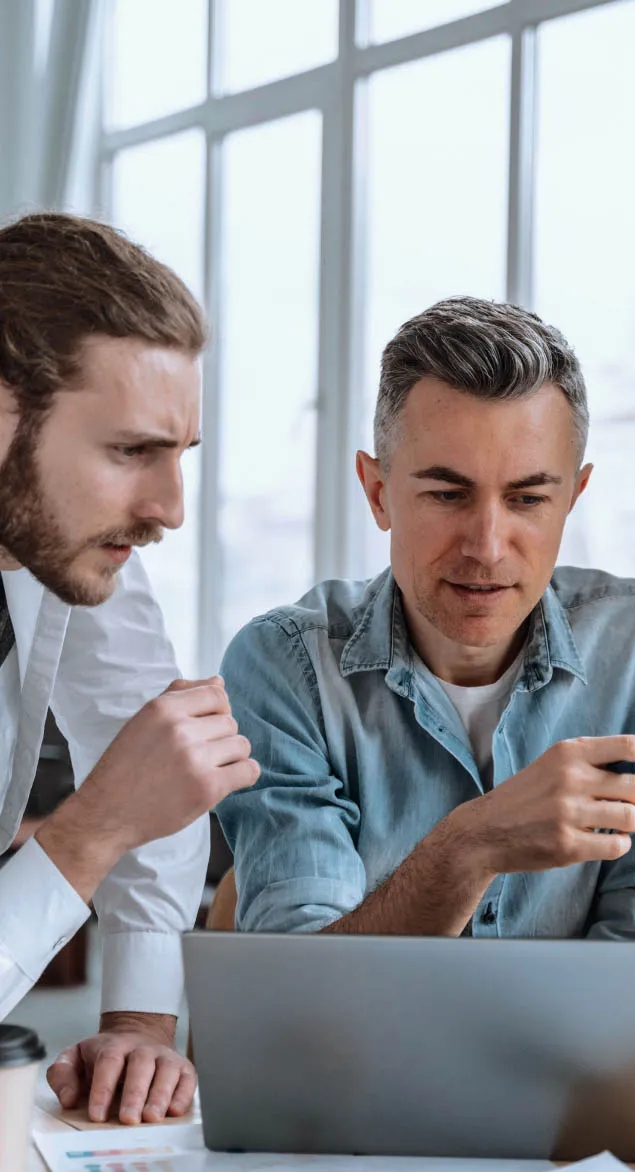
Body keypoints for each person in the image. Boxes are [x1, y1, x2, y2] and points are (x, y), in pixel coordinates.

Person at [218, 297, 635, 944]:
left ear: (573, 498)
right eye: (448, 495)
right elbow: (307, 1000)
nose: (486, 545)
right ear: (378, 493)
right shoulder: (285, 667)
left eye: (529, 498)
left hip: (577, 1053)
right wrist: (471, 845)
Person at [0, 214, 258, 1121]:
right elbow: (126, 800)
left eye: (178, 456)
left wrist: (140, 1030)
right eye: (130, 452)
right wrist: (93, 827)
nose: (169, 508)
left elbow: (149, 752)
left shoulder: (70, 543)